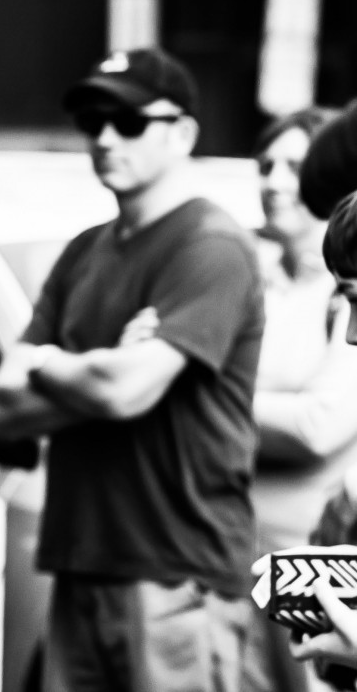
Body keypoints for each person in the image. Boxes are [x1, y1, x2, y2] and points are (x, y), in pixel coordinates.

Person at [0, 48, 264, 692]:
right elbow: (0, 405)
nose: (106, 137)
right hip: (80, 566)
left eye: (129, 121)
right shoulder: (84, 250)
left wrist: (53, 364)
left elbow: (127, 391)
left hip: (177, 574)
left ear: (184, 133)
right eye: (92, 119)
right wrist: (105, 364)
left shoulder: (211, 247)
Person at [245, 108, 357, 692]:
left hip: (314, 561)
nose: (276, 181)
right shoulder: (251, 279)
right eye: (266, 164)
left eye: (296, 165)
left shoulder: (337, 299)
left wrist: (212, 393)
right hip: (245, 556)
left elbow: (318, 423)